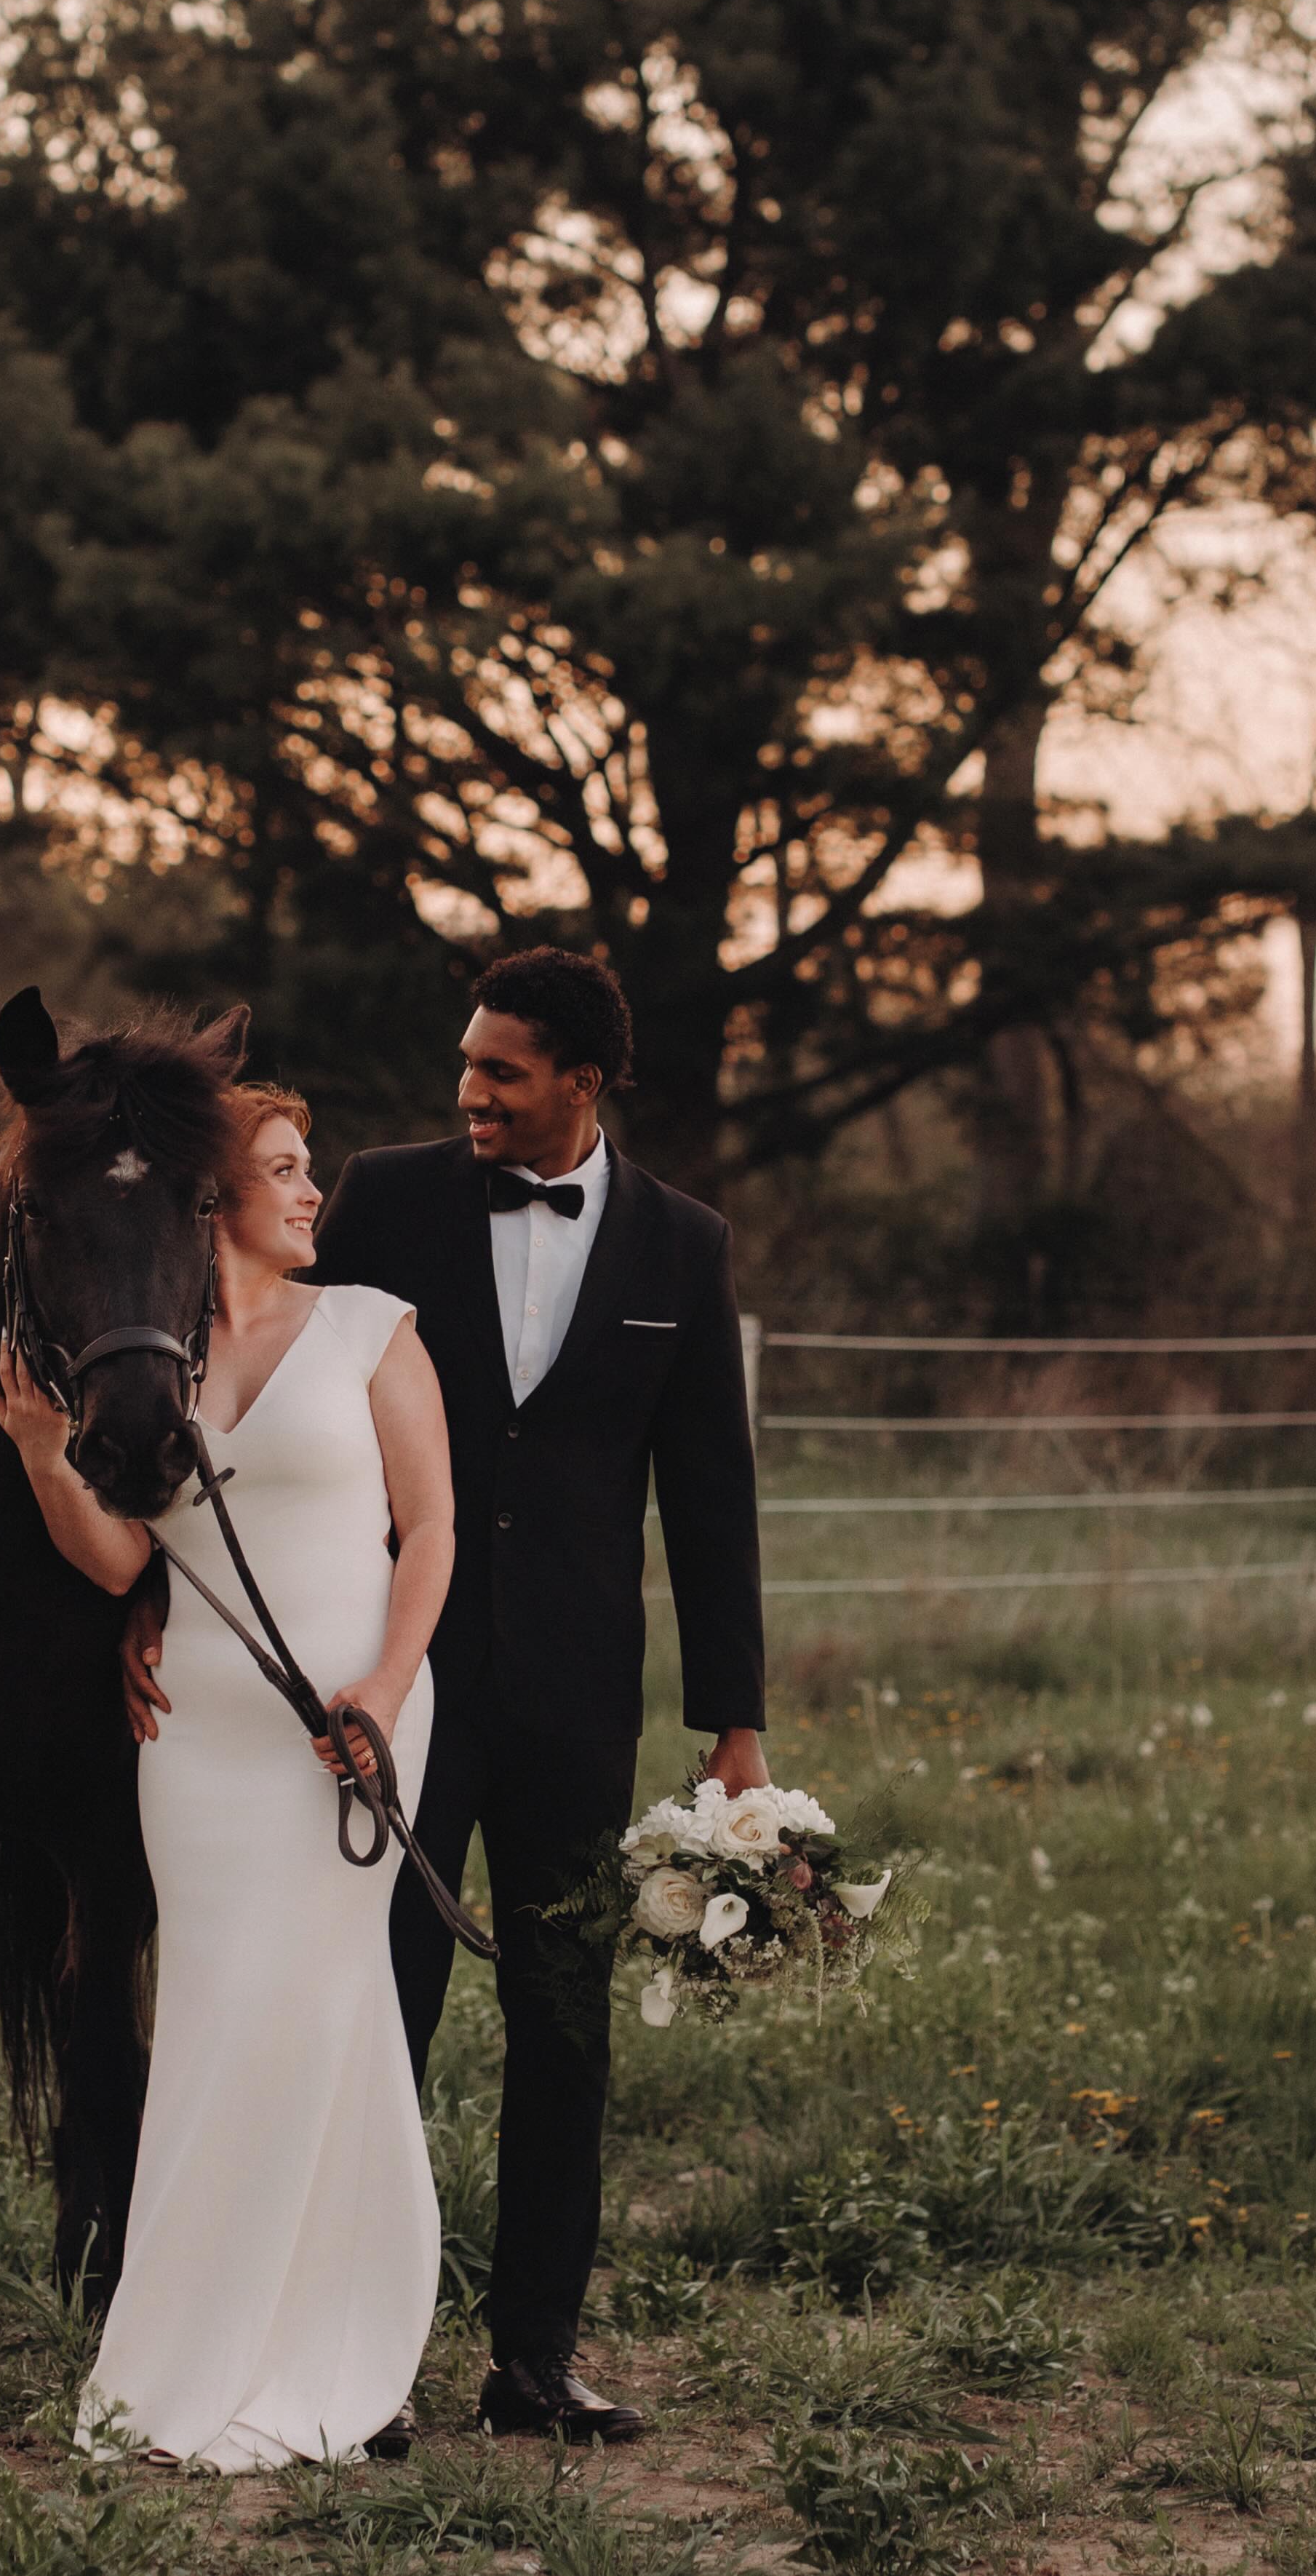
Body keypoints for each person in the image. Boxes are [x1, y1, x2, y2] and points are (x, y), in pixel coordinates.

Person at [126, 948, 767, 2445]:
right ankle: (356, 2361)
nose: (466, 1090)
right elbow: (252, 1398)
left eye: (500, 1069)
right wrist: (157, 1603)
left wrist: (730, 1723)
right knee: (377, 2005)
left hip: (574, 1694)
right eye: (464, 1062)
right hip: (382, 1682)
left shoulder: (684, 1245)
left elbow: (712, 1497)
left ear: (581, 1082)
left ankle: (534, 2356)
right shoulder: (387, 1194)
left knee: (563, 2020)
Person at [0, 1081, 454, 2472]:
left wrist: (379, 1687)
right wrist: (41, 1459)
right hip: (195, 1747)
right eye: (287, 1171)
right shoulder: (157, 1362)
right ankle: (184, 2350)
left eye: (309, 1169)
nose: (313, 1193)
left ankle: (336, 2338)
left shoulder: (372, 1328)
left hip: (353, 1729)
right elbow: (130, 1564)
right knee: (208, 2021)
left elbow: (426, 1532)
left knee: (319, 2012)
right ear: (214, 1200)